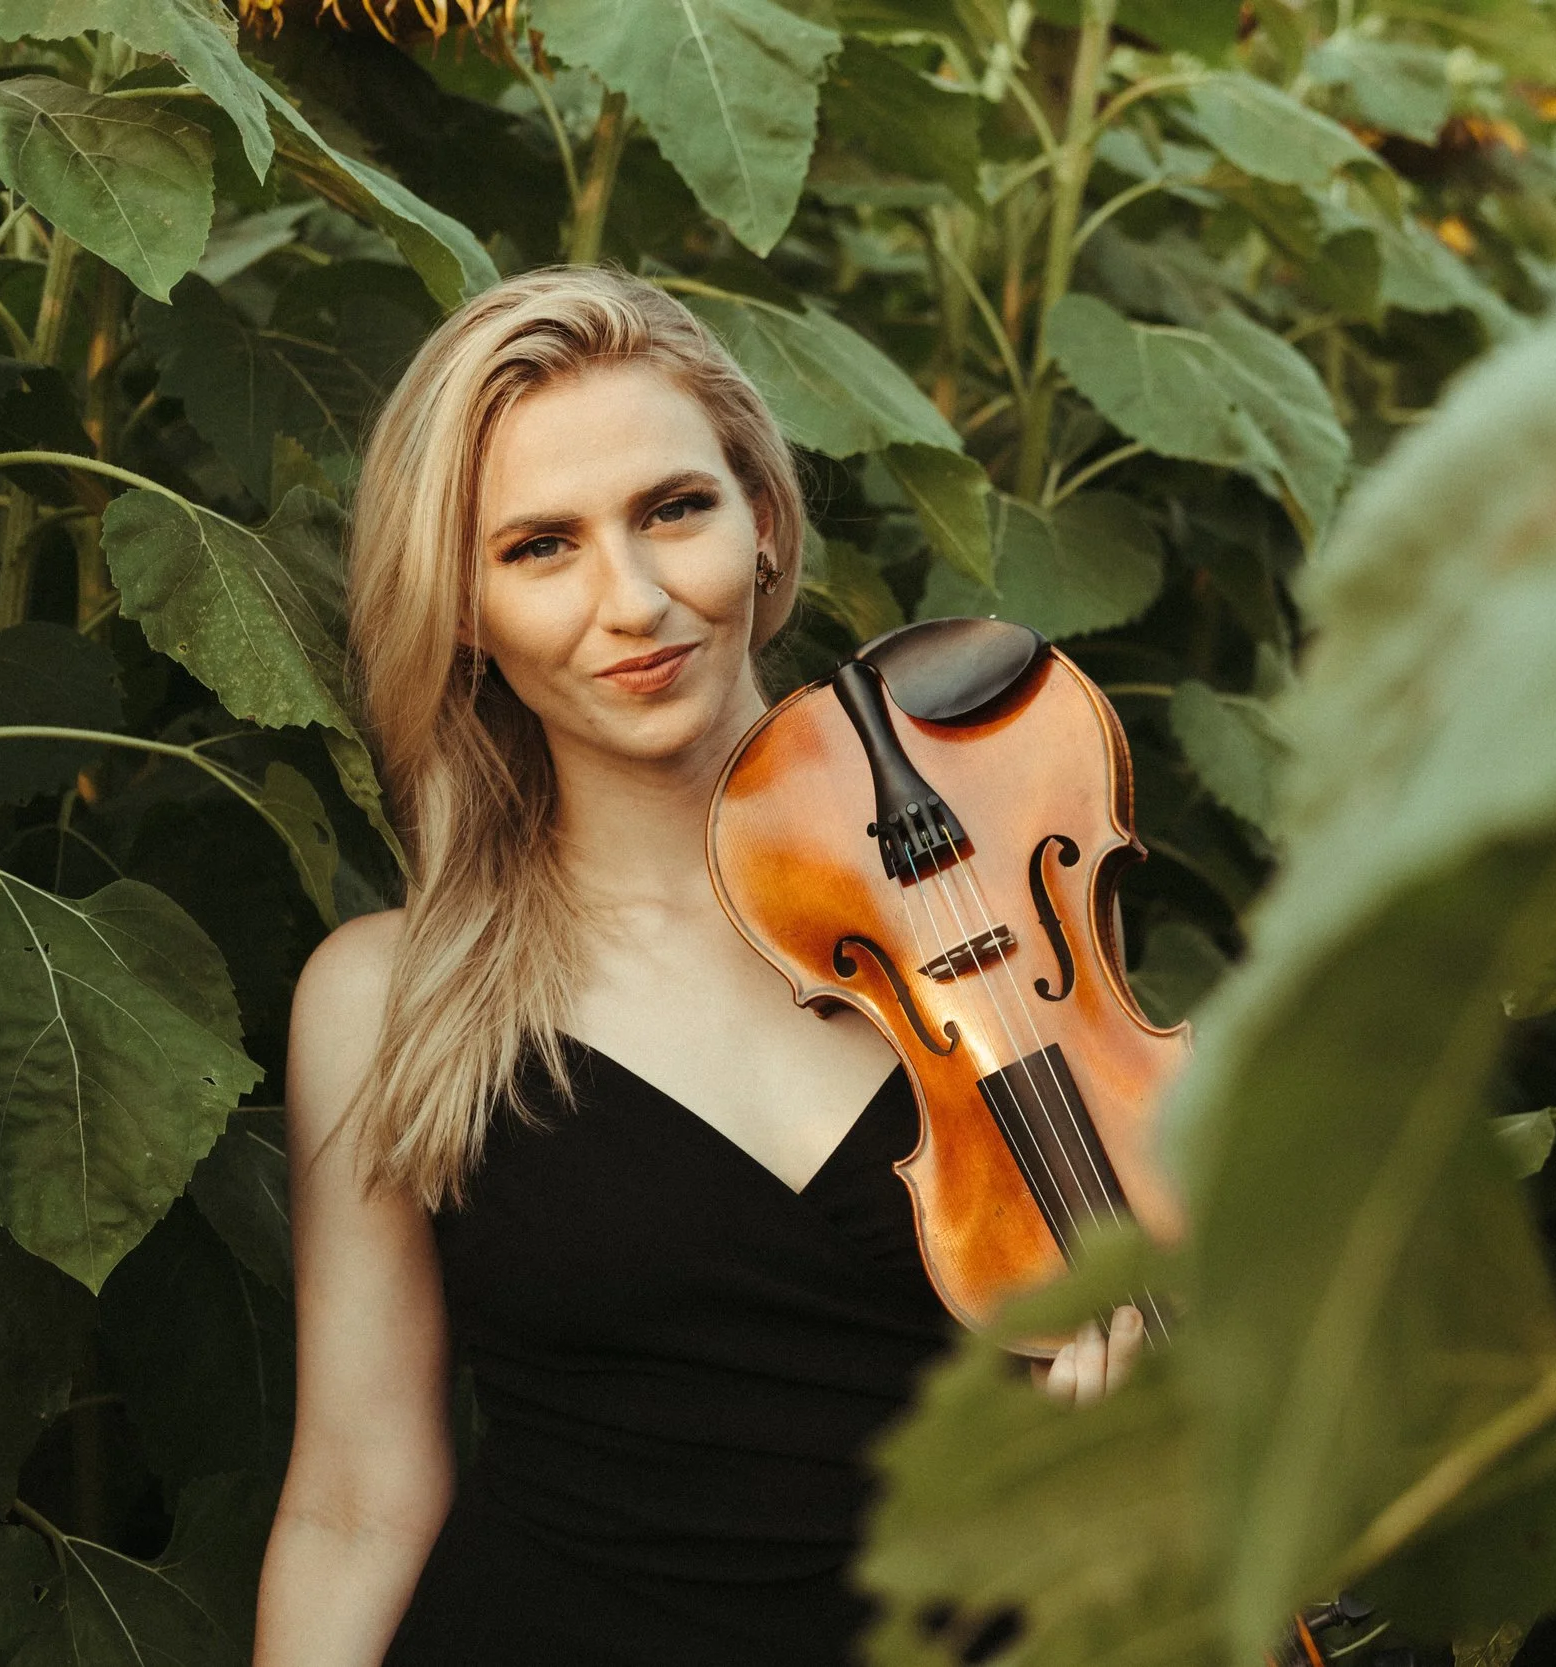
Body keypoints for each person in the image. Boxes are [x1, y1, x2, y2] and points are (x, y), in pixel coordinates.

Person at [253, 267, 1143, 1667]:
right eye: (541, 546)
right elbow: (357, 1498)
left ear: (765, 525)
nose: (639, 598)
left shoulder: (983, 910)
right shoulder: (386, 1000)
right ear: (466, 610)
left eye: (675, 509)